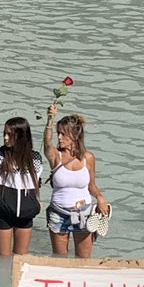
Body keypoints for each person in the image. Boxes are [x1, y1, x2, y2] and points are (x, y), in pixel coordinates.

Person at [44, 106, 112, 258]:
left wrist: (100, 198)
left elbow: (91, 186)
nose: (59, 138)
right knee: (59, 259)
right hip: (59, 213)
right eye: (58, 133)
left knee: (83, 259)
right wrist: (50, 120)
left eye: (63, 134)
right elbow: (47, 143)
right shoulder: (55, 156)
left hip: (84, 212)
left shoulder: (88, 158)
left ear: (74, 136)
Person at [0, 115, 46, 257]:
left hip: (26, 215)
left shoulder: (35, 158)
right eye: (4, 134)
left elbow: (36, 181)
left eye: (9, 134)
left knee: (21, 258)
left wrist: (35, 202)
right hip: (3, 214)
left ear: (21, 136)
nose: (5, 138)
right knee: (3, 259)